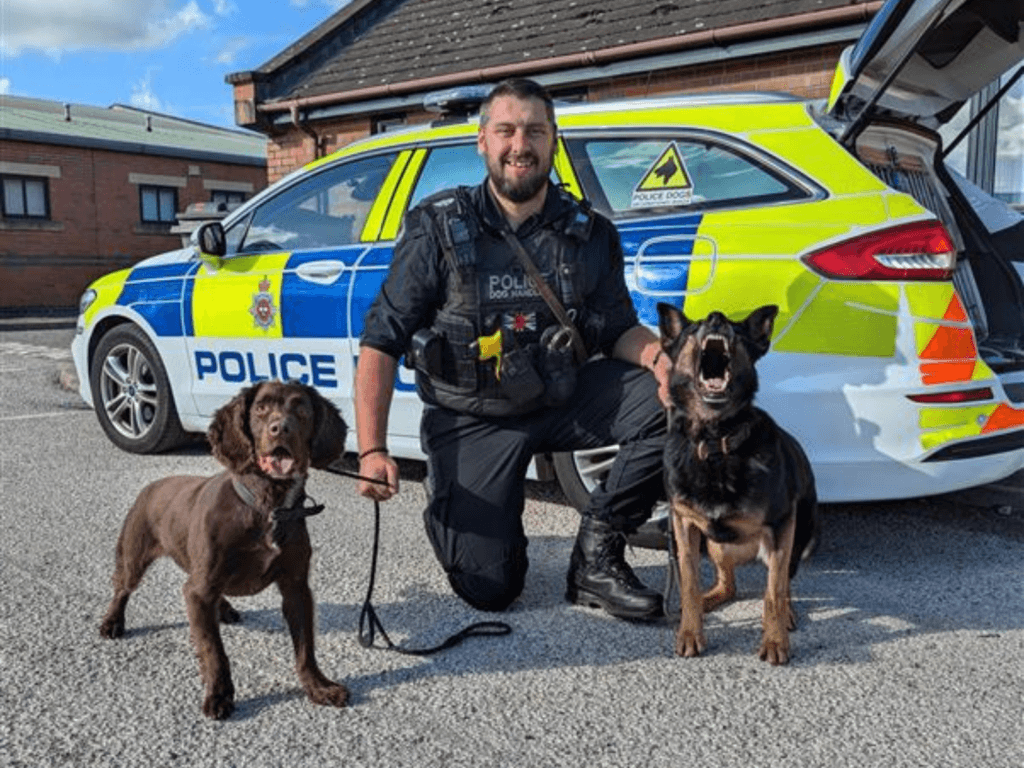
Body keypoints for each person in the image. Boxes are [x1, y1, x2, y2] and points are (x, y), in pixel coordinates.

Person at [354, 78, 671, 621]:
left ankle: (597, 555)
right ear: (482, 141)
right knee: (491, 588)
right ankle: (457, 501)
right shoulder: (436, 228)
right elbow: (382, 341)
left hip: (563, 393)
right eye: (505, 130)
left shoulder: (590, 233)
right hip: (473, 416)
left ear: (552, 141)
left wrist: (665, 363)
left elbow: (620, 327)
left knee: (676, 402)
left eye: (534, 131)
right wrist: (371, 451)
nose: (519, 144)